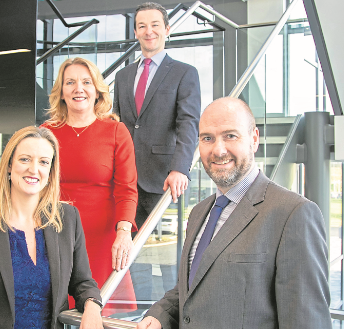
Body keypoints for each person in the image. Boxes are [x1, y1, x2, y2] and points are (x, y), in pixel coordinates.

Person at [137, 97, 331, 329]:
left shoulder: (293, 214)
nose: (218, 150)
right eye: (207, 138)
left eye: (230, 135)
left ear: (254, 139)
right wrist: (159, 315)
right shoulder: (199, 213)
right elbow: (192, 288)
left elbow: (306, 323)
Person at [0, 126, 103, 329]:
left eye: (43, 162)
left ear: (51, 170)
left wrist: (92, 307)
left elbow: (82, 282)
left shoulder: (68, 219)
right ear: (10, 164)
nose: (34, 169)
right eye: (25, 159)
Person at [113, 1, 201, 301]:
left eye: (154, 25)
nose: (148, 31)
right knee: (130, 250)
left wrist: (181, 169)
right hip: (126, 180)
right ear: (135, 31)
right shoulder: (124, 77)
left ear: (167, 30)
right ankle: (136, 308)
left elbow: (189, 123)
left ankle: (170, 311)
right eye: (141, 26)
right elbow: (120, 126)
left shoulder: (184, 73)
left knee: (170, 253)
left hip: (166, 180)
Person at [42, 57, 138, 314]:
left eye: (86, 82)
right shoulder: (46, 132)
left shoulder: (116, 131)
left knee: (98, 312)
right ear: (61, 92)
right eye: (70, 82)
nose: (78, 88)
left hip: (101, 236)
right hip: (56, 231)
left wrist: (124, 232)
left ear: (97, 90)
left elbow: (127, 189)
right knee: (54, 309)